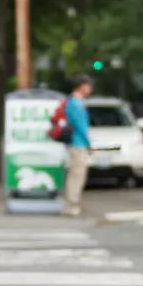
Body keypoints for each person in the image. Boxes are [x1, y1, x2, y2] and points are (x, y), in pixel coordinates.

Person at [62, 75, 95, 217]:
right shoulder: (76, 103)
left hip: (75, 143)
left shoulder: (73, 101)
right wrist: (89, 144)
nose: (90, 89)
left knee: (75, 174)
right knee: (77, 175)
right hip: (78, 143)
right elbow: (81, 126)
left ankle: (71, 204)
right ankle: (72, 205)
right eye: (89, 86)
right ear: (82, 86)